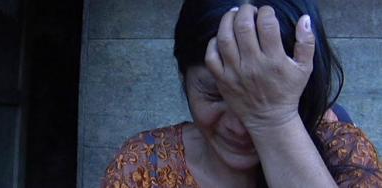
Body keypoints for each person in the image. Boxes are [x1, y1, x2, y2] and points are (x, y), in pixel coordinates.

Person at [102, 0, 382, 187]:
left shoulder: (344, 151)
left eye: (269, 94)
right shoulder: (144, 165)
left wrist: (275, 120)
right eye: (215, 94)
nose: (238, 126)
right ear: (183, 77)